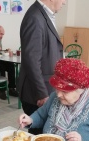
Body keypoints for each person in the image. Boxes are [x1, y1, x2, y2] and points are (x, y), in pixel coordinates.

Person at [19, 58, 89, 141]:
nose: (59, 95)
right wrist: (30, 120)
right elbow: (41, 115)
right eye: (57, 89)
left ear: (80, 90)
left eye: (65, 91)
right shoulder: (55, 97)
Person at [18, 0, 66, 133]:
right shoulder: (35, 17)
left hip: (45, 89)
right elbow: (32, 61)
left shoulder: (43, 15)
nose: (65, 2)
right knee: (39, 138)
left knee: (44, 136)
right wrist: (42, 94)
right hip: (37, 93)